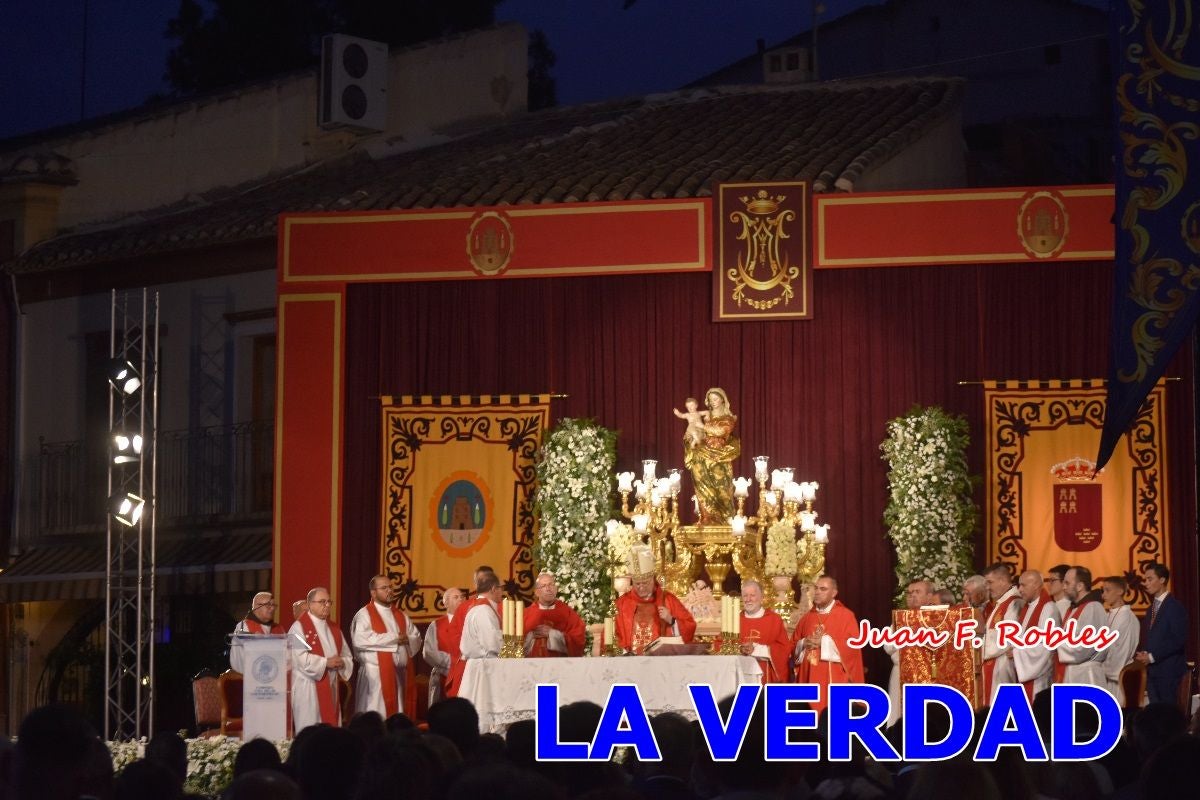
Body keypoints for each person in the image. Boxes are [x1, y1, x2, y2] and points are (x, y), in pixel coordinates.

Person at [791, 574, 864, 715]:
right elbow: (792, 646)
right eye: (816, 588)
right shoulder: (806, 618)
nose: (817, 592)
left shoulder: (846, 616)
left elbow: (853, 647)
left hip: (834, 680)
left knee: (832, 719)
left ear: (834, 593)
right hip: (808, 678)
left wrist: (824, 642)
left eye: (823, 589)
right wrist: (803, 643)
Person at [350, 575, 423, 717]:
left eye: (391, 587)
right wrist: (395, 639)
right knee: (376, 718)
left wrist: (407, 639)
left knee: (398, 718)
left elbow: (416, 637)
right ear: (373, 592)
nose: (390, 590)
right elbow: (360, 639)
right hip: (375, 676)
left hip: (400, 676)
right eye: (384, 588)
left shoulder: (400, 615)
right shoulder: (364, 615)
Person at [288, 586, 352, 732]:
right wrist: (325, 663)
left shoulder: (334, 628)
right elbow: (299, 658)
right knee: (310, 731)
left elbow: (347, 655)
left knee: (330, 732)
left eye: (329, 602)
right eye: (322, 602)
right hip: (308, 687)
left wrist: (342, 662)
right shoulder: (297, 628)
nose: (327, 605)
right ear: (310, 604)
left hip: (330, 685)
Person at [614, 546, 696, 653]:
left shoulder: (668, 600)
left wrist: (671, 620)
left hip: (661, 662)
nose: (641, 587)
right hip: (629, 664)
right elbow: (611, 635)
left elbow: (690, 627)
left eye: (645, 583)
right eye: (637, 584)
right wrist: (623, 651)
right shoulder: (622, 603)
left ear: (653, 579)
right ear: (632, 582)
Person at [682, 387, 740, 524]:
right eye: (710, 399)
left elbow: (722, 431)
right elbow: (697, 433)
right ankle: (706, 516)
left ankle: (723, 516)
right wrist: (689, 437)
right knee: (700, 481)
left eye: (715, 399)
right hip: (702, 453)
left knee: (721, 486)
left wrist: (703, 427)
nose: (712, 402)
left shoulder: (728, 417)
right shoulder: (705, 415)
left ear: (722, 399)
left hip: (719, 455)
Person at [1135, 561, 1189, 704]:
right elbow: (1151, 637)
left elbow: (1178, 640)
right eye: (1145, 579)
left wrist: (1152, 656)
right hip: (1152, 672)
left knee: (1168, 716)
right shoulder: (1150, 609)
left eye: (1150, 579)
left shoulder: (1175, 607)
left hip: (1169, 672)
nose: (1146, 583)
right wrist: (1144, 652)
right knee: (1156, 716)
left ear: (1162, 580)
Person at [885, 578, 935, 726]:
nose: (912, 595)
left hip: (927, 672)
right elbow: (888, 646)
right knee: (898, 713)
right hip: (901, 671)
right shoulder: (900, 618)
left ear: (929, 596)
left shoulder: (937, 618)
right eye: (910, 592)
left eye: (917, 592)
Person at [1011, 570, 1061, 701]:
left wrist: (1016, 653)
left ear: (1036, 585)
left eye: (1023, 585)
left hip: (1039, 677)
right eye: (1019, 585)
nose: (1019, 589)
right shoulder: (1028, 607)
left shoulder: (1048, 609)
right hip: (1025, 671)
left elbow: (1046, 646)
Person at [731, 580, 791, 683]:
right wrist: (739, 648)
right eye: (745, 596)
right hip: (739, 676)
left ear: (762, 597)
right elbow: (720, 644)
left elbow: (783, 649)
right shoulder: (734, 620)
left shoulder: (774, 620)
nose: (748, 599)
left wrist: (756, 649)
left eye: (752, 595)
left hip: (765, 677)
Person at [1055, 565, 1107, 687]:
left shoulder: (1093, 608)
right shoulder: (1074, 608)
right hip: (1074, 673)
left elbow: (1083, 647)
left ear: (1079, 586)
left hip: (1087, 677)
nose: (1063, 587)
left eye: (1067, 583)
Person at [981, 562, 1020, 702]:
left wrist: (978, 648)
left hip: (1002, 666)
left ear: (1003, 580)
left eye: (990, 582)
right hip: (994, 663)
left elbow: (1007, 637)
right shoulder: (1001, 602)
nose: (988, 587)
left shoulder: (1014, 602)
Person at [523, 572, 586, 657]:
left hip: (560, 664)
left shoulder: (567, 613)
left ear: (556, 589)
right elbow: (516, 643)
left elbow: (578, 641)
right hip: (531, 664)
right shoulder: (526, 614)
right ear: (537, 592)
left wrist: (552, 634)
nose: (548, 588)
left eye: (551, 585)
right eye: (544, 586)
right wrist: (531, 635)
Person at [1101, 575, 1140, 704]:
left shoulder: (1127, 618)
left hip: (1119, 678)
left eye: (1108, 590)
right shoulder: (1108, 614)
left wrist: (1102, 669)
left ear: (1120, 592)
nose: (1103, 595)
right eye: (1103, 590)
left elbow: (1123, 650)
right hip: (1106, 676)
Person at [423, 587, 464, 706]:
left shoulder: (469, 623)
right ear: (445, 603)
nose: (460, 599)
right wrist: (453, 663)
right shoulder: (436, 625)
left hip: (465, 676)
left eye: (462, 597)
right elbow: (429, 652)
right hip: (443, 675)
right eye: (456, 597)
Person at [230, 591, 284, 673]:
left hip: (277, 676)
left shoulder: (279, 628)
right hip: (251, 677)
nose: (272, 608)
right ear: (256, 607)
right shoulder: (244, 627)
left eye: (273, 605)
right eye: (268, 605)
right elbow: (239, 659)